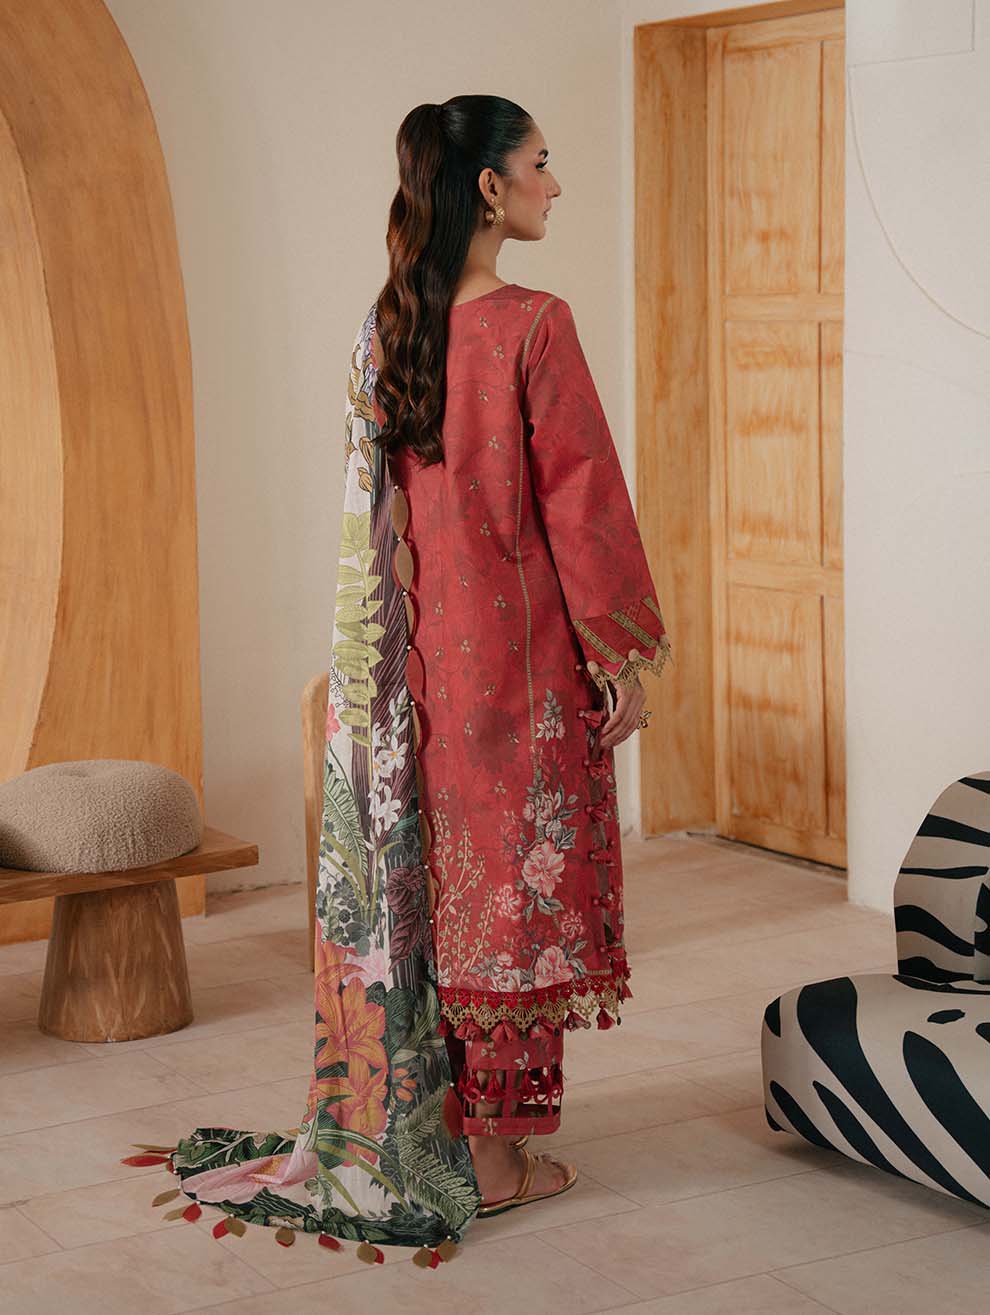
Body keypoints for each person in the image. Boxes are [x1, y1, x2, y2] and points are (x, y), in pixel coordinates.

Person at [121, 94, 671, 1269]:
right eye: (540, 163)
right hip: (522, 662)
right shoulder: (533, 324)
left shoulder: (389, 328)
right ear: (490, 188)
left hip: (413, 674)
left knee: (448, 899)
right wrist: (620, 651)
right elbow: (582, 500)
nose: (555, 185)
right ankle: (500, 1163)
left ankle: (442, 1129)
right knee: (515, 905)